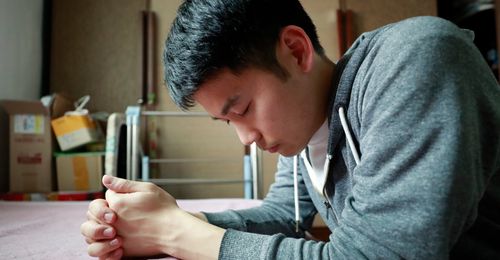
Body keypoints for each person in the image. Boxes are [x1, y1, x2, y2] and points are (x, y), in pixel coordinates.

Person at [80, 0, 500, 259]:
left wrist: (178, 235)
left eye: (242, 108)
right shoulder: (305, 131)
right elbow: (281, 215)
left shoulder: (415, 60)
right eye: (228, 122)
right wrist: (165, 222)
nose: (246, 138)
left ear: (296, 50)